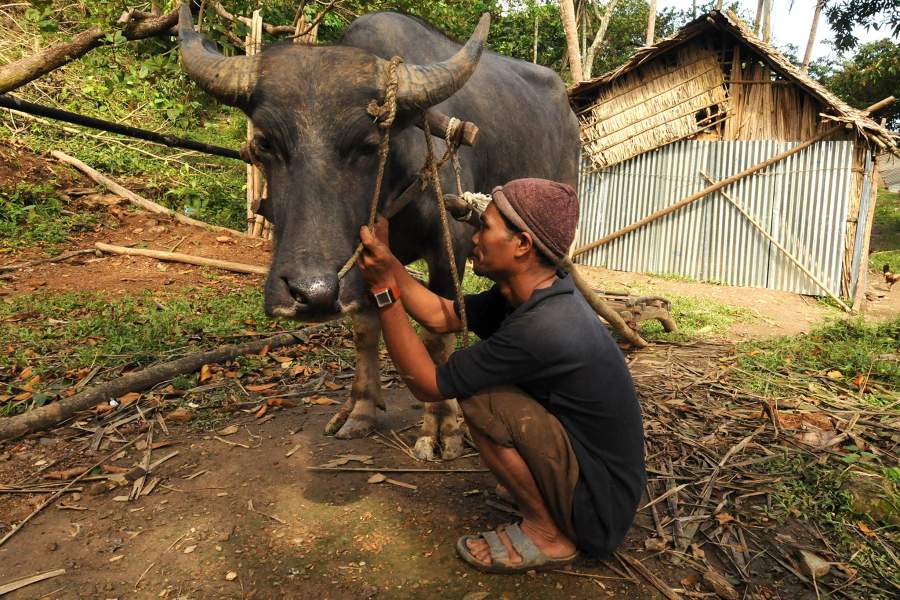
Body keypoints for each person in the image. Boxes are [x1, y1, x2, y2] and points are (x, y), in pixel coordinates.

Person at [357, 178, 645, 574]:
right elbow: (443, 315)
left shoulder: (544, 326)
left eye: (485, 227)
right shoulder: (532, 290)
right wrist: (389, 261)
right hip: (601, 487)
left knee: (481, 397)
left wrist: (384, 294)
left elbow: (427, 384)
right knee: (485, 388)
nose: (473, 237)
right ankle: (549, 499)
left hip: (598, 512)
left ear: (522, 244)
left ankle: (549, 534)